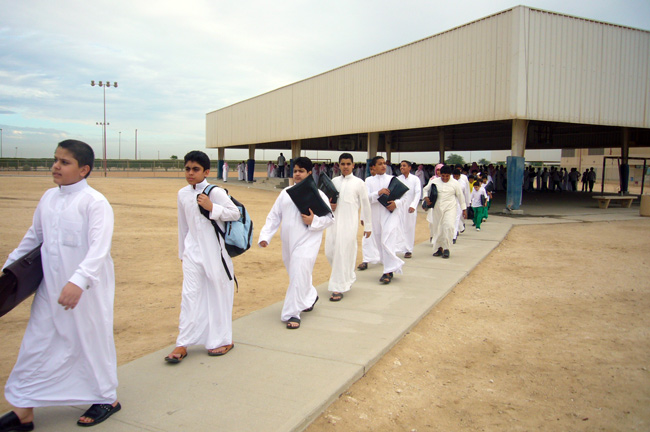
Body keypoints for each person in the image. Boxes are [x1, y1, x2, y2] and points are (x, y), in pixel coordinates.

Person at [0, 140, 121, 430]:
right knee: (36, 342)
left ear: (84, 170)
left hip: (87, 290)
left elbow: (98, 249)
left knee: (91, 341)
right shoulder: (48, 198)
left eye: (64, 162)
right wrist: (7, 270)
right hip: (50, 287)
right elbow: (33, 238)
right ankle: (23, 410)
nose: (56, 166)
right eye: (55, 160)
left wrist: (78, 281)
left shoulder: (95, 202)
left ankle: (107, 397)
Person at [165, 151, 241, 364]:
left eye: (195, 169)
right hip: (192, 252)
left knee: (219, 293)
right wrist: (182, 253)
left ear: (206, 172)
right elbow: (183, 225)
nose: (190, 173)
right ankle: (183, 342)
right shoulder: (182, 194)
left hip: (214, 253)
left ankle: (223, 339)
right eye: (187, 169)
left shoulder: (215, 192)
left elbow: (235, 213)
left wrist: (212, 208)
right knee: (190, 295)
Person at [258, 157, 334, 329]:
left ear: (309, 173)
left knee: (299, 273)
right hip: (288, 243)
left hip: (308, 242)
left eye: (301, 171)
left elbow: (330, 219)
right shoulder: (285, 192)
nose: (297, 174)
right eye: (295, 171)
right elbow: (274, 216)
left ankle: (292, 313)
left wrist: (313, 220)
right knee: (297, 275)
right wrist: (265, 236)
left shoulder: (318, 194)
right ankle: (310, 295)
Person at [325, 153, 372, 302]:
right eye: (343, 164)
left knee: (342, 253)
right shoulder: (333, 181)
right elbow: (327, 200)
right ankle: (347, 276)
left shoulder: (359, 183)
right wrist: (329, 205)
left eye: (348, 164)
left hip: (349, 223)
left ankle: (338, 287)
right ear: (338, 165)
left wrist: (368, 225)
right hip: (333, 223)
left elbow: (366, 204)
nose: (345, 166)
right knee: (330, 252)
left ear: (353, 165)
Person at [363, 156, 404, 284]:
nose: (383, 166)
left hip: (390, 215)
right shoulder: (368, 181)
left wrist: (396, 204)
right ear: (373, 167)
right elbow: (366, 199)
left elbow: (404, 197)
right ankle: (389, 267)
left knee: (388, 240)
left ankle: (387, 272)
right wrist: (378, 193)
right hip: (375, 216)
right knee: (380, 242)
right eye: (379, 164)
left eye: (384, 163)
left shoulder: (392, 179)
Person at [424, 165, 467, 259]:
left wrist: (464, 209)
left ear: (450, 175)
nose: (445, 178)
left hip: (450, 208)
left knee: (448, 226)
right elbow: (425, 189)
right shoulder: (434, 181)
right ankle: (439, 248)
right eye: (443, 176)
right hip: (437, 208)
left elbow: (461, 197)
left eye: (447, 176)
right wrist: (426, 198)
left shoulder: (455, 183)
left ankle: (447, 248)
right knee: (438, 228)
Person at [396, 161, 422, 258]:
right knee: (398, 227)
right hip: (399, 207)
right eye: (401, 166)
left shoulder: (415, 179)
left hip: (410, 207)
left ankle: (408, 250)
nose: (402, 168)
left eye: (404, 166)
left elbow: (418, 193)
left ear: (409, 168)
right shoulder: (398, 179)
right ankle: (398, 248)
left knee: (409, 227)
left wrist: (413, 205)